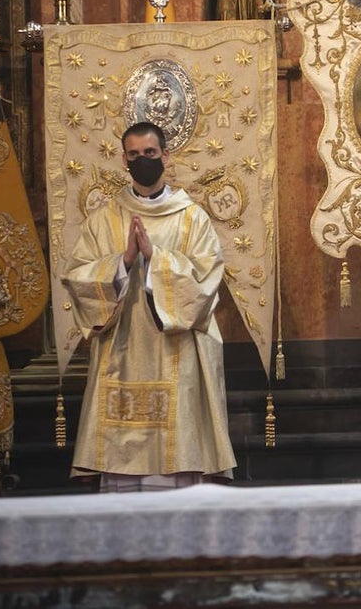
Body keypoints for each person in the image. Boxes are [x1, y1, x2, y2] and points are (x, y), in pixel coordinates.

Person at [61, 122, 235, 492]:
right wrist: (122, 263)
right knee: (122, 482)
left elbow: (206, 285)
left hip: (177, 353)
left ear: (166, 156)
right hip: (121, 354)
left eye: (150, 154)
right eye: (135, 155)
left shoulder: (192, 218)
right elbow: (77, 279)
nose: (143, 160)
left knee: (176, 467)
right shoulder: (104, 218)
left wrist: (156, 258)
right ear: (124, 159)